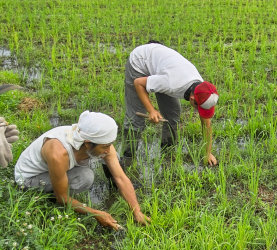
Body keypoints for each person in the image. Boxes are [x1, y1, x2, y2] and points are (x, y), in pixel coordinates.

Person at [14, 111, 150, 230]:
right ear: (87, 143)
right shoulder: (58, 152)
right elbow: (62, 198)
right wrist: (95, 213)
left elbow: (120, 178)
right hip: (28, 180)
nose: (109, 150)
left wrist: (136, 210)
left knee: (86, 175)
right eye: (105, 146)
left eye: (110, 145)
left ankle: (58, 190)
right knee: (85, 177)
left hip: (55, 170)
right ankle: (48, 197)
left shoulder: (98, 141)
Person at [124, 41, 219, 166]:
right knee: (135, 120)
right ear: (192, 99)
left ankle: (167, 151)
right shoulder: (172, 84)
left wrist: (207, 153)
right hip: (139, 62)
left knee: (172, 113)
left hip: (162, 65)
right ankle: (127, 157)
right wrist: (151, 110)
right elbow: (138, 83)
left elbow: (206, 125)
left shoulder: (203, 90)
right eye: (199, 108)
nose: (199, 112)